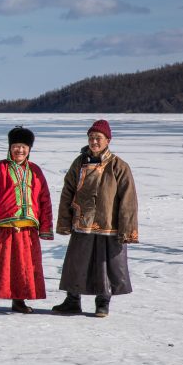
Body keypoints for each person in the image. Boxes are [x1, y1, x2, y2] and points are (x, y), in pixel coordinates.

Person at [52, 119, 138, 318]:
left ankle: (103, 302)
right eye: (91, 138)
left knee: (104, 264)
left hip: (109, 225)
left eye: (98, 138)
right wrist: (64, 221)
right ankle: (72, 300)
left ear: (108, 140)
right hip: (82, 221)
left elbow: (128, 200)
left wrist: (127, 229)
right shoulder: (79, 162)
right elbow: (68, 192)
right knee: (77, 262)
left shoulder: (119, 166)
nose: (94, 142)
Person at [0, 126, 53, 314]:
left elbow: (44, 199)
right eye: (16, 146)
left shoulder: (35, 171)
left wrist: (45, 226)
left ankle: (19, 301)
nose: (20, 150)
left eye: (24, 147)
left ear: (29, 149)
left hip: (28, 229)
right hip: (3, 227)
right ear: (10, 148)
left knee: (24, 267)